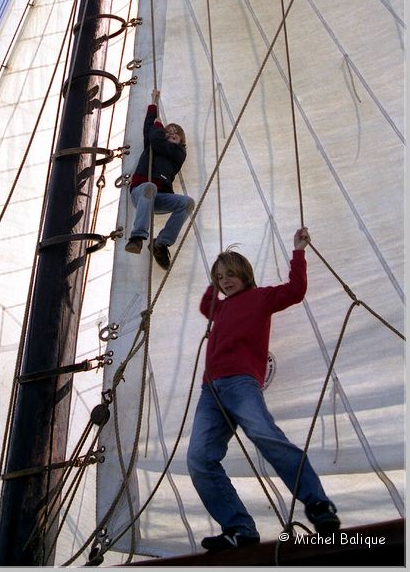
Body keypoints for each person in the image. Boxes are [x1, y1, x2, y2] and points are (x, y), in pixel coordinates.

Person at [187, 227, 340, 551]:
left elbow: (296, 290)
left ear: (244, 274)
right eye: (219, 277)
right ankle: (239, 528)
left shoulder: (260, 298)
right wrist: (213, 282)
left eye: (230, 274)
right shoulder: (220, 308)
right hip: (210, 392)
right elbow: (206, 305)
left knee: (266, 436)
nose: (225, 280)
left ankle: (318, 504)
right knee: (199, 459)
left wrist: (298, 251)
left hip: (241, 382)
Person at [124, 89, 195, 270]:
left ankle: (161, 244)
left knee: (187, 203)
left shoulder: (178, 153)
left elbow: (156, 137)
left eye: (175, 135)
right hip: (141, 193)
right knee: (149, 187)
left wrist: (158, 128)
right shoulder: (154, 142)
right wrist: (153, 103)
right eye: (168, 133)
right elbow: (149, 128)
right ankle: (137, 237)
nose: (171, 135)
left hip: (159, 197)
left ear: (181, 141)